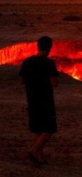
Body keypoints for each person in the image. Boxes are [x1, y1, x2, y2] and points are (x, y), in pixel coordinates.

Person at [19, 36, 59, 168]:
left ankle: (40, 159)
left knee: (37, 129)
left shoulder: (27, 62)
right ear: (49, 48)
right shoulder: (49, 63)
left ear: (38, 46)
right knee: (49, 129)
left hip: (32, 99)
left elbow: (21, 81)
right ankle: (32, 151)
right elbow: (54, 83)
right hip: (46, 100)